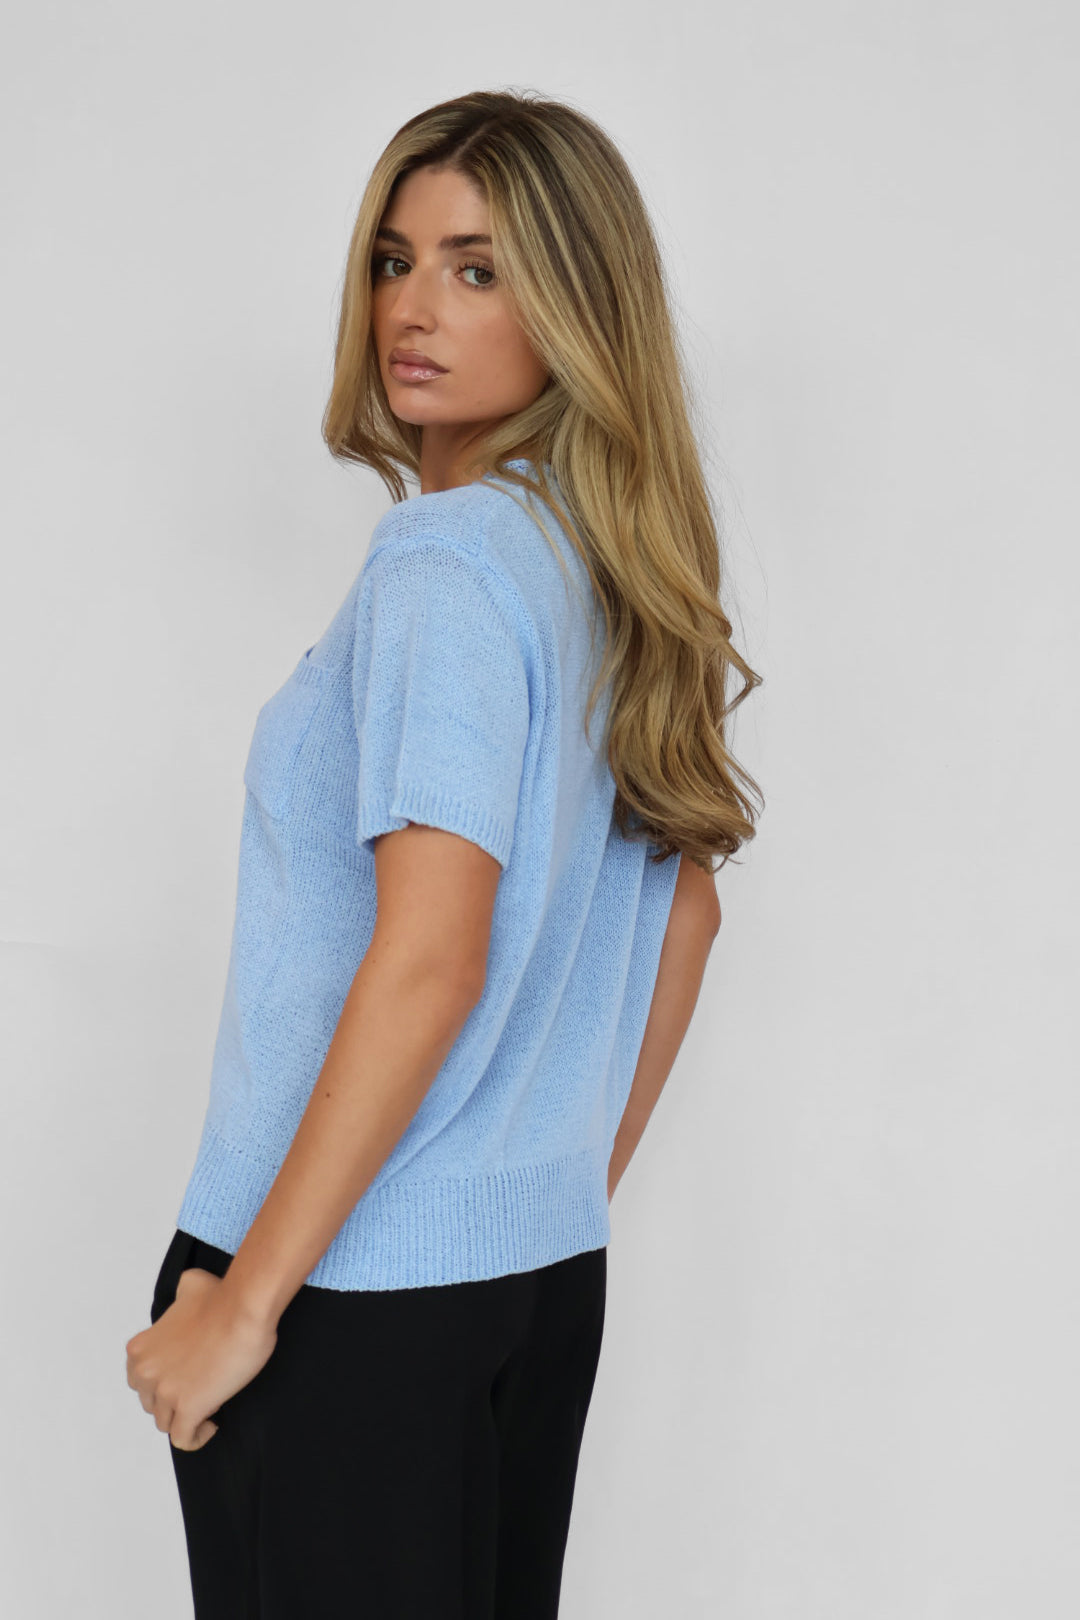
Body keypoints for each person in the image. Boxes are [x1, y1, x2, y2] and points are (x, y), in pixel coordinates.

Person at [125, 88, 763, 1618]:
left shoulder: (445, 565)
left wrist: (245, 1306)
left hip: (341, 1292)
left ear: (577, 304)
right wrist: (544, 1188)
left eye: (479, 269)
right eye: (393, 260)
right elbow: (684, 912)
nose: (413, 309)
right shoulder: (606, 566)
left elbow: (430, 959)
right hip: (532, 1281)